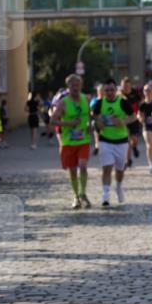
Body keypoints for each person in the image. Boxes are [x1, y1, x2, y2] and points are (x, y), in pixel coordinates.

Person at [92, 76, 135, 206]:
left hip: (121, 141)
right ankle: (105, 196)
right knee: (107, 168)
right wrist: (98, 123)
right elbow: (94, 117)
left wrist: (122, 122)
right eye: (107, 90)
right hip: (105, 140)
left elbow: (133, 117)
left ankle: (119, 187)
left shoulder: (122, 102)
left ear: (116, 90)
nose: (109, 92)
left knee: (120, 169)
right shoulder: (99, 103)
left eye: (112, 90)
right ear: (104, 91)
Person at [51, 74, 93, 209]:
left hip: (83, 140)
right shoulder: (63, 103)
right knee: (73, 171)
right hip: (68, 141)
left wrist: (90, 126)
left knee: (83, 166)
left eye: (77, 85)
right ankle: (76, 197)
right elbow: (53, 120)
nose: (75, 88)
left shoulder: (86, 99)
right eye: (72, 85)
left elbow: (90, 116)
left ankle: (83, 193)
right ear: (68, 87)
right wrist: (69, 123)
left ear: (81, 86)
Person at [120, 76, 142, 167]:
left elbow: (141, 103)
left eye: (128, 86)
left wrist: (140, 114)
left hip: (134, 118)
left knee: (135, 139)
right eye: (124, 86)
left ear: (130, 86)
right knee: (127, 141)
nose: (126, 88)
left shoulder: (135, 93)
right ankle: (128, 160)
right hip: (125, 119)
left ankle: (134, 146)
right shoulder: (119, 94)